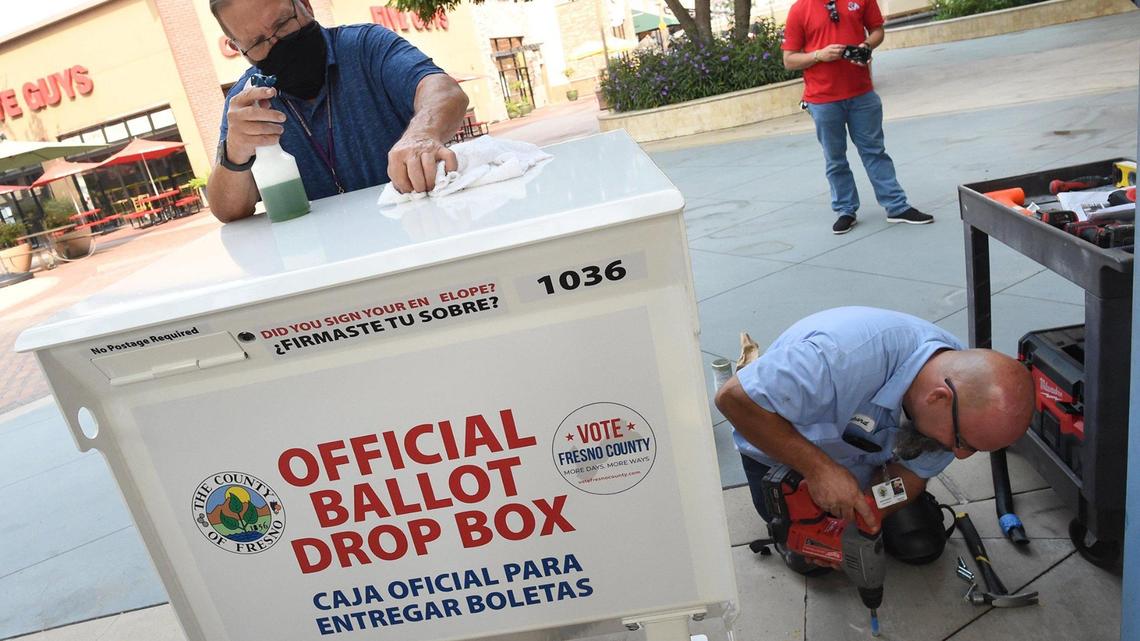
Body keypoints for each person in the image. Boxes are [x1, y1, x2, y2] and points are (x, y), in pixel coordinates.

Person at [715, 307, 1034, 571]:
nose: (961, 456)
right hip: (780, 447)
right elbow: (732, 399)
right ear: (938, 398)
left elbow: (912, 474)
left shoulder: (964, 399)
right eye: (964, 443)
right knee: (809, 557)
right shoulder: (837, 357)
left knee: (918, 544)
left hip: (865, 459)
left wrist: (865, 515)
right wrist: (819, 469)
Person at [207, 0, 469, 223]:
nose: (277, 43)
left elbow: (443, 90)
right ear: (238, 48)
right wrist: (235, 155)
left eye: (282, 23)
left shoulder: (366, 46)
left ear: (305, 5)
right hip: (327, 261)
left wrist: (421, 135)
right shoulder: (247, 100)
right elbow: (227, 211)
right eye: (257, 42)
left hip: (419, 231)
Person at [781, 0, 932, 235]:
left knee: (875, 152)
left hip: (862, 95)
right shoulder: (800, 9)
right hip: (823, 99)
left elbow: (878, 30)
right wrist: (819, 55)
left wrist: (866, 46)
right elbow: (789, 59)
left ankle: (897, 207)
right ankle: (845, 210)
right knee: (835, 158)